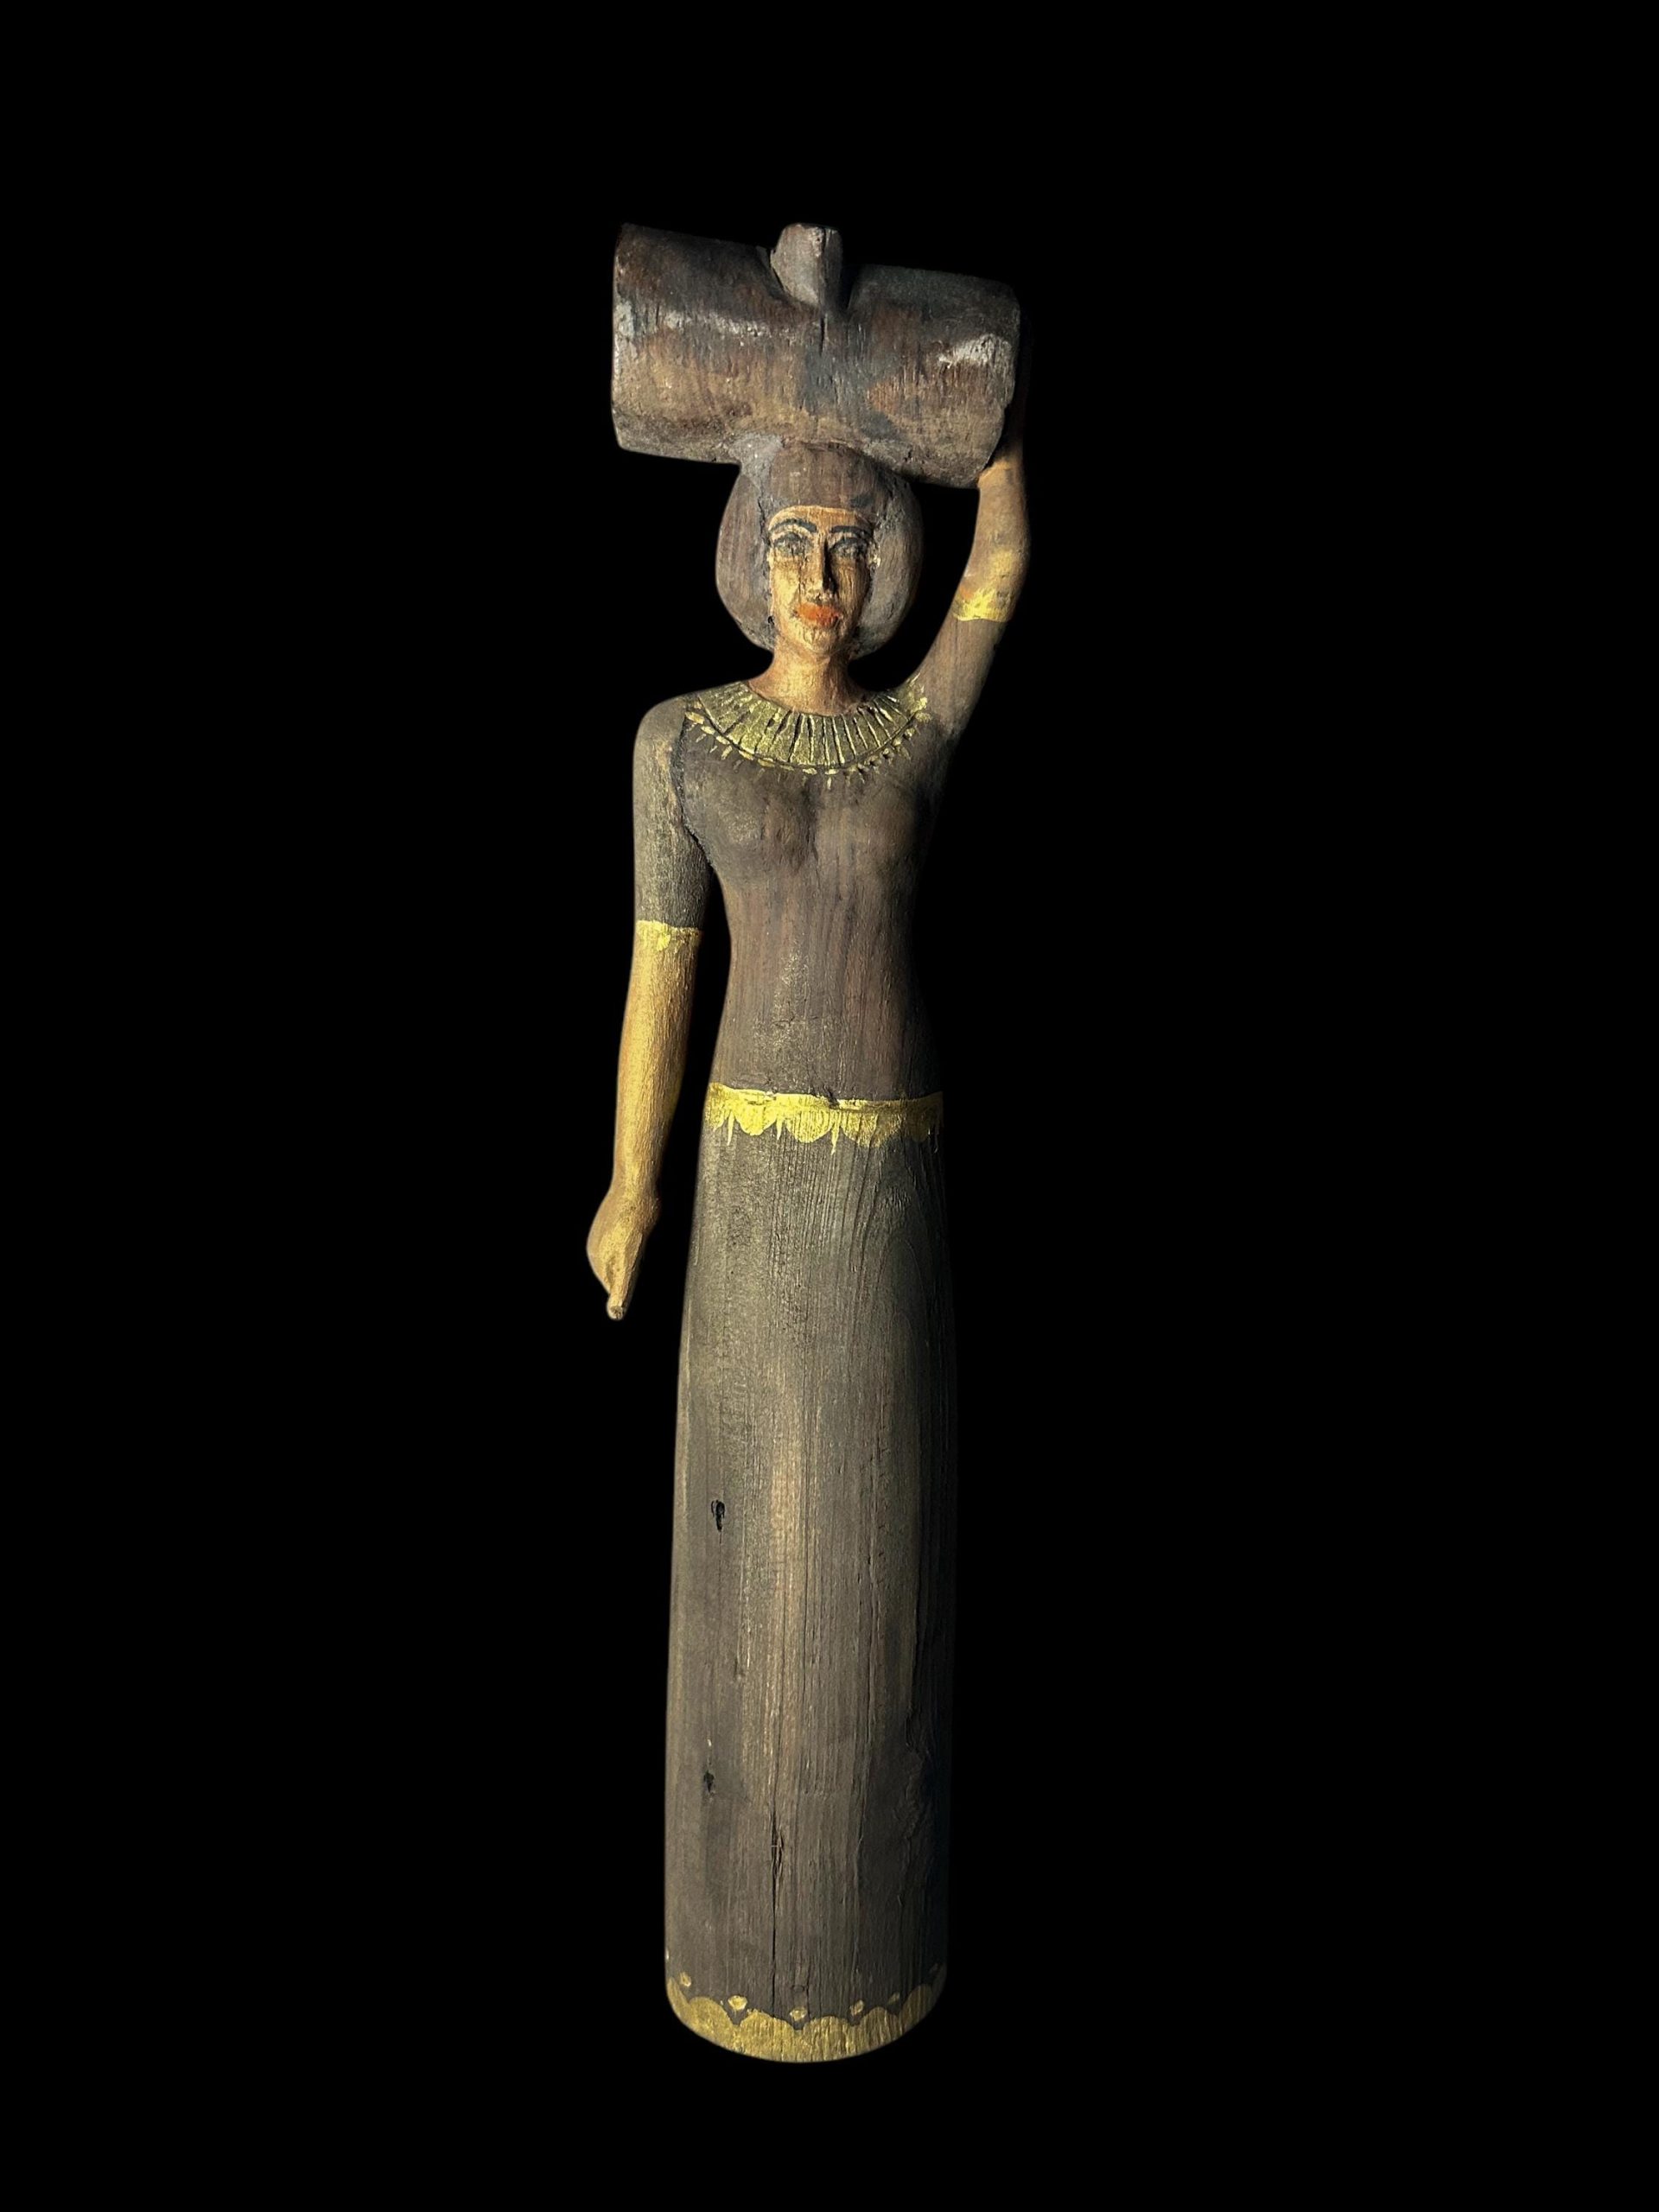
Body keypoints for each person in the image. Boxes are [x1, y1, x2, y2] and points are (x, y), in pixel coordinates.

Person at [587, 396, 1029, 2061]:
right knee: (744, 1544)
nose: (821, 580)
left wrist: (989, 416)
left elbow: (1009, 560)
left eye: (850, 546)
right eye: (792, 543)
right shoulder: (682, 741)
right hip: (749, 1184)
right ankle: (737, 1938)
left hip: (894, 1180)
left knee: (877, 1550)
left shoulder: (915, 733)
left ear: (887, 562)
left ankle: (869, 1928)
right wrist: (632, 1185)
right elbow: (659, 973)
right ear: (746, 557)